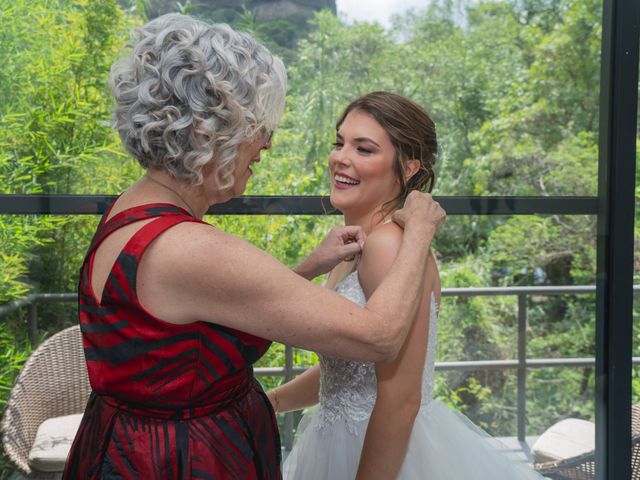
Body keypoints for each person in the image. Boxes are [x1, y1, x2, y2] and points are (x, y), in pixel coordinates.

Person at [63, 15, 445, 480]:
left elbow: (204, 311)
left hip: (124, 446)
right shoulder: (191, 248)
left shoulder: (130, 208)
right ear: (207, 134)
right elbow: (379, 337)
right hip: (181, 463)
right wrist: (421, 228)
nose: (265, 145)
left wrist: (304, 269)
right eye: (256, 127)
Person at [270, 92, 545, 480]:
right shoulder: (352, 246)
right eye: (339, 142)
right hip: (340, 439)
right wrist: (274, 401)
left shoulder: (388, 245)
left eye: (363, 149)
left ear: (409, 167)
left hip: (381, 452)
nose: (340, 158)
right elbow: (348, 372)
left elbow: (401, 398)